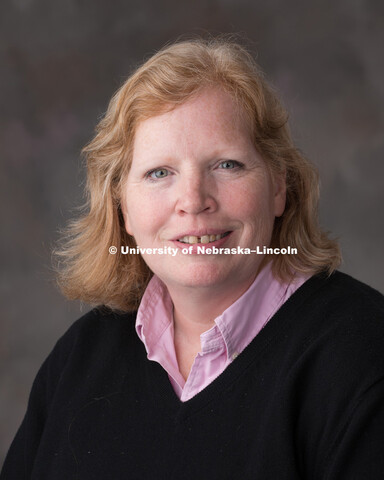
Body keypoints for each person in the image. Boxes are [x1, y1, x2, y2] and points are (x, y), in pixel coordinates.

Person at [2, 37, 384, 479]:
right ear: (123, 207)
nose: (193, 200)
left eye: (227, 165)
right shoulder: (79, 359)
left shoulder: (362, 356)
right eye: (159, 173)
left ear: (279, 186)